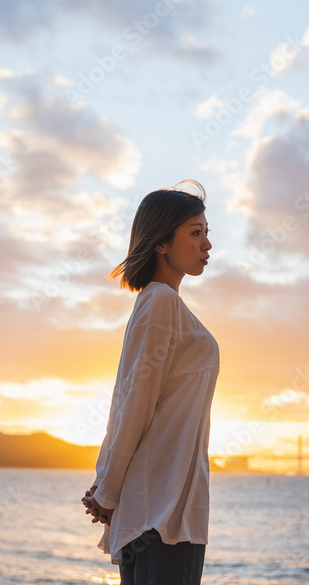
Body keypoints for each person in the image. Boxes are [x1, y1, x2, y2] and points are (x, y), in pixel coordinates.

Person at [80, 179, 219, 584]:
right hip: (160, 511)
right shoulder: (160, 302)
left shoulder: (163, 304)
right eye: (196, 233)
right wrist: (107, 491)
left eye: (207, 234)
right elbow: (134, 405)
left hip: (172, 510)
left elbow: (129, 399)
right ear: (160, 242)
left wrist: (108, 485)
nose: (207, 245)